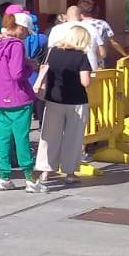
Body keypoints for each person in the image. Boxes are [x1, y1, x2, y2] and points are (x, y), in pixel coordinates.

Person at [0, 13, 42, 192]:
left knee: (3, 138)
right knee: (21, 138)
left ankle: (4, 176)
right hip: (18, 96)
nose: (26, 36)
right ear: (20, 28)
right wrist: (30, 66)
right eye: (26, 32)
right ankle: (30, 178)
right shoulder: (16, 45)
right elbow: (17, 73)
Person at [34, 23, 93, 182]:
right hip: (76, 101)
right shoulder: (81, 56)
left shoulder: (52, 51)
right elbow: (85, 81)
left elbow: (44, 70)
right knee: (73, 138)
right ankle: (70, 173)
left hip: (54, 99)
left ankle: (45, 171)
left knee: (49, 135)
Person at [76, 0, 126, 68]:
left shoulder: (77, 25)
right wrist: (125, 54)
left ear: (80, 13)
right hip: (99, 61)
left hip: (80, 60)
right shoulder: (102, 24)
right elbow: (113, 42)